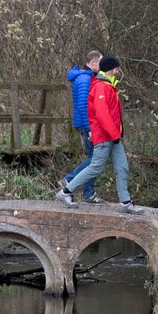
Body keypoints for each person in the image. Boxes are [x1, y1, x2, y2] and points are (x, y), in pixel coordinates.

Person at [55, 54, 144, 214]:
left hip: (113, 136)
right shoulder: (101, 87)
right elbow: (102, 114)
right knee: (95, 166)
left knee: (122, 166)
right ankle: (66, 192)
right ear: (110, 69)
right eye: (117, 68)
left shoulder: (108, 86)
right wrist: (112, 134)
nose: (118, 71)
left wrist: (115, 135)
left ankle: (125, 202)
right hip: (105, 136)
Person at [62, 50, 102, 203]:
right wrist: (90, 128)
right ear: (92, 62)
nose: (102, 66)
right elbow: (83, 107)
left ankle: (88, 193)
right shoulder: (85, 79)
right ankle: (68, 180)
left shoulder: (85, 77)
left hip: (85, 124)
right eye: (100, 62)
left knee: (94, 158)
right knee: (94, 159)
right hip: (86, 125)